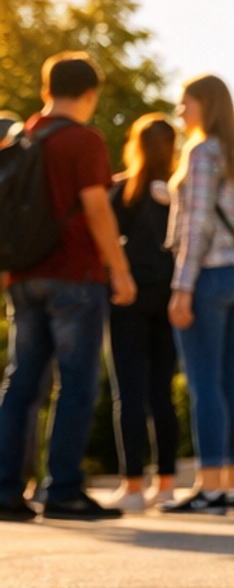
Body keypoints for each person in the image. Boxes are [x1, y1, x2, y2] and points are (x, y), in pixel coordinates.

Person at [0, 52, 136, 521]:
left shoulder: (23, 137)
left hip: (22, 275)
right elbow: (96, 208)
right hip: (75, 276)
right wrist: (119, 269)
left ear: (46, 89)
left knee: (21, 385)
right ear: (90, 94)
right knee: (76, 384)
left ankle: (5, 490)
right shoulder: (83, 140)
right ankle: (63, 491)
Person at [162, 75, 234, 516]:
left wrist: (181, 288)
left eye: (187, 104)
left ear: (206, 105)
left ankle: (209, 487)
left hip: (209, 276)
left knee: (204, 383)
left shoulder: (202, 153)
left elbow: (198, 224)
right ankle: (233, 487)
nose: (181, 112)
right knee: (233, 379)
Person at [103, 115, 181, 512]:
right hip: (171, 297)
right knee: (162, 394)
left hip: (126, 297)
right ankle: (166, 484)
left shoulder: (120, 191)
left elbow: (104, 240)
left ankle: (132, 486)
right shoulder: (180, 191)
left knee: (128, 394)